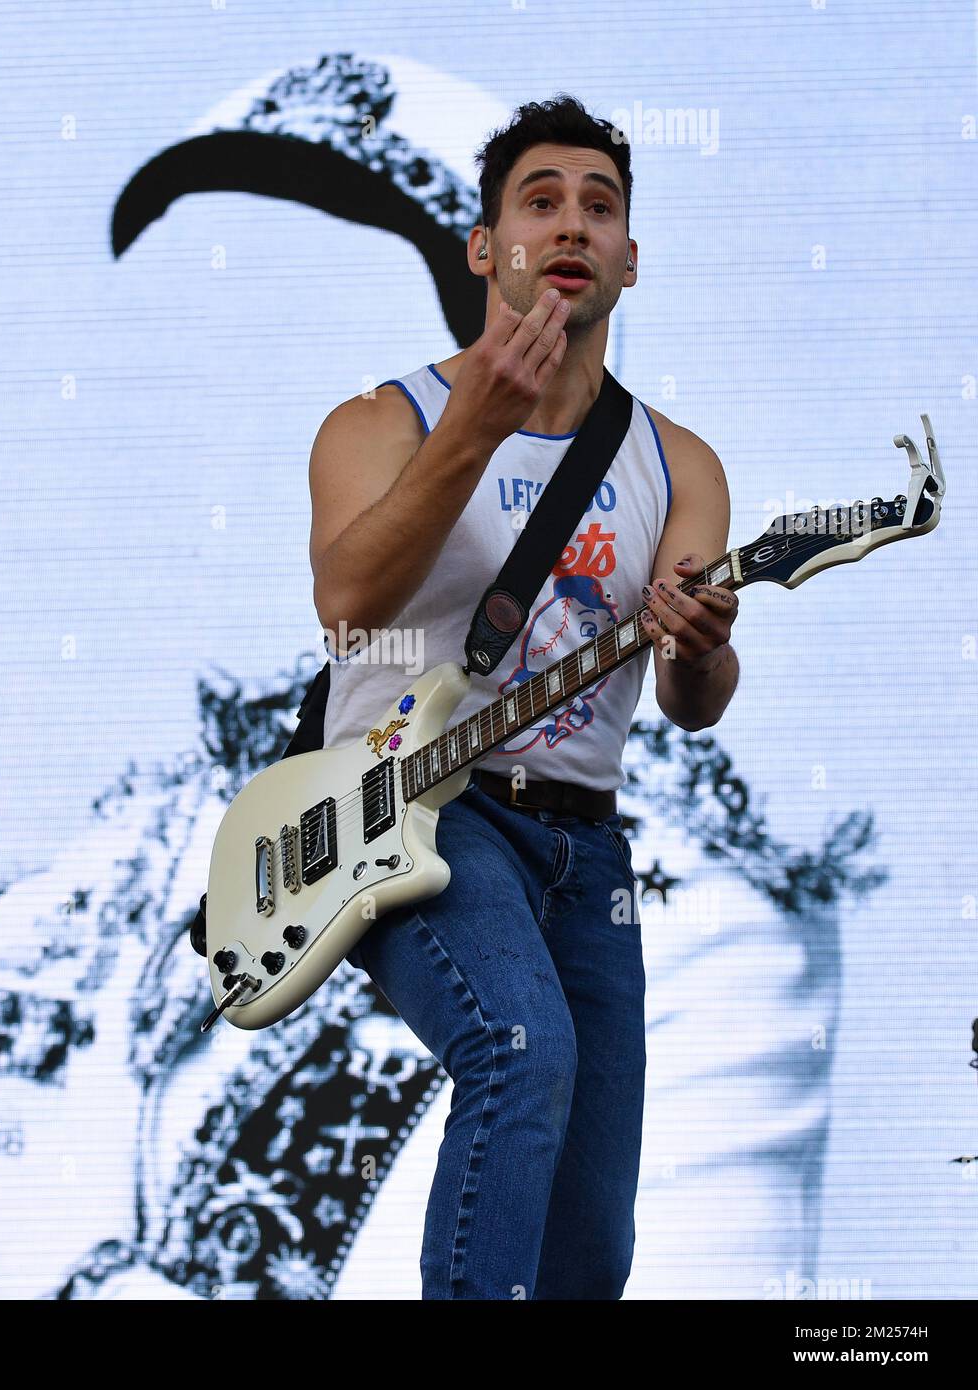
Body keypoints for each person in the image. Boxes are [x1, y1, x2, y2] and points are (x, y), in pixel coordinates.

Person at [307, 95, 741, 1300]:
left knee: (591, 1238)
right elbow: (347, 602)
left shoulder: (679, 462)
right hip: (412, 819)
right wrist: (477, 427)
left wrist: (700, 644)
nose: (571, 225)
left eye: (599, 207)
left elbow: (692, 698)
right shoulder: (377, 421)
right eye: (538, 201)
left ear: (630, 259)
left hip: (584, 849)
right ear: (482, 247)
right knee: (517, 1047)